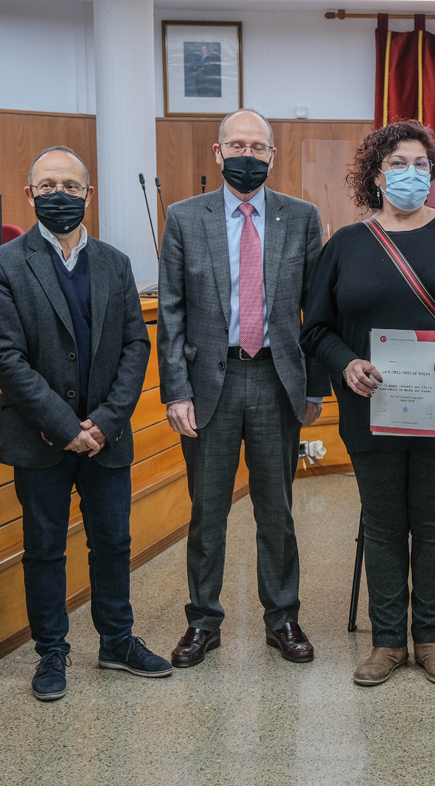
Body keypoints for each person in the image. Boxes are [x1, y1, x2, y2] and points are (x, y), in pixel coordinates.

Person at [302, 120, 435, 687]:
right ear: (375, 173)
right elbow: (316, 329)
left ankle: (433, 639)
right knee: (385, 524)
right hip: (371, 409)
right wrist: (346, 362)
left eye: (420, 163)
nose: (410, 173)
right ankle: (388, 642)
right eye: (397, 164)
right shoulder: (346, 244)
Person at [0, 145, 171, 701]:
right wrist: (65, 426)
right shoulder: (5, 263)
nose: (58, 194)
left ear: (88, 194)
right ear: (29, 194)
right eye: (46, 186)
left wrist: (105, 423)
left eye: (69, 185)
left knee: (113, 542)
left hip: (105, 438)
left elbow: (137, 345)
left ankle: (116, 641)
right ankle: (52, 652)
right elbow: (4, 355)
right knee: (44, 547)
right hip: (39, 436)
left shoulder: (116, 261)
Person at [157, 108, 330, 669]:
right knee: (208, 511)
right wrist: (174, 390)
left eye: (257, 146)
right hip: (212, 381)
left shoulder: (301, 217)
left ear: (272, 156)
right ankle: (203, 622)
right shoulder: (184, 217)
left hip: (277, 381)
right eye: (237, 145)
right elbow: (173, 311)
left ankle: (282, 616)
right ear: (217, 152)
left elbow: (318, 312)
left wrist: (316, 387)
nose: (247, 155)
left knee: (275, 508)